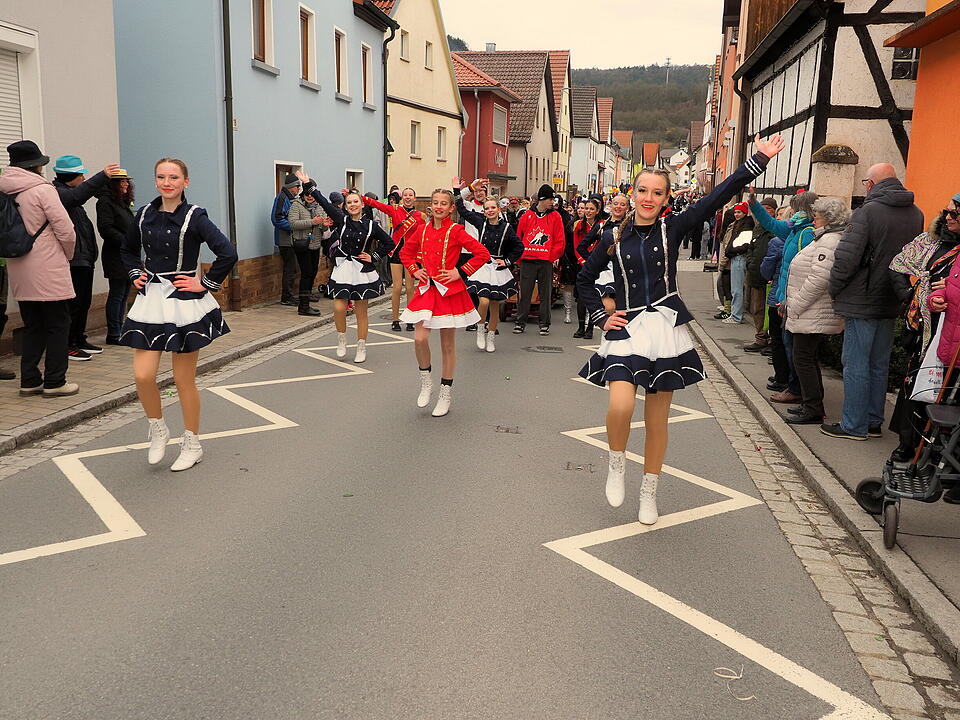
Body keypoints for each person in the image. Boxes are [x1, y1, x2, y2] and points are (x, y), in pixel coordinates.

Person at [578, 134, 785, 525]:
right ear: (632, 192)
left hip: (666, 329)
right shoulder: (613, 235)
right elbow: (585, 280)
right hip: (627, 329)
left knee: (658, 420)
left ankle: (650, 491)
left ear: (666, 198)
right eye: (642, 190)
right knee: (620, 405)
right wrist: (601, 317)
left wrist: (758, 159)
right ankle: (617, 462)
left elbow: (720, 194)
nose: (648, 198)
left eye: (657, 192)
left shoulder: (673, 228)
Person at [120, 158, 238, 471]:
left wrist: (205, 284)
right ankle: (158, 428)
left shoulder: (195, 216)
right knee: (142, 375)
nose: (166, 182)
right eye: (161, 177)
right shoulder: (144, 213)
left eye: (174, 177)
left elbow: (227, 252)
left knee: (183, 379)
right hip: (150, 301)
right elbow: (128, 250)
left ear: (185, 181)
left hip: (184, 302)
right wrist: (134, 272)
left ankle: (192, 442)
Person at [824, 164, 924, 441]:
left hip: (862, 298)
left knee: (855, 362)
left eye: (866, 181)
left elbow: (846, 258)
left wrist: (834, 289)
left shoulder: (868, 211)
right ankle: (872, 421)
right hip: (891, 298)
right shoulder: (916, 213)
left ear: (872, 183)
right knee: (879, 364)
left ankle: (853, 424)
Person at [399, 188, 491, 416]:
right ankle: (426, 381)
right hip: (426, 291)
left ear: (451, 208)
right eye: (435, 202)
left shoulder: (456, 231)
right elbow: (405, 253)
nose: (439, 206)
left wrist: (460, 271)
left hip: (449, 293)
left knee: (447, 345)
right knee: (420, 338)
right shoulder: (420, 230)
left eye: (443, 203)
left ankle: (445, 393)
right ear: (430, 206)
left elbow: (482, 253)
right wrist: (414, 270)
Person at [0, 140, 78, 396]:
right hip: (47, 266)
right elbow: (65, 229)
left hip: (18, 266)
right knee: (58, 323)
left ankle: (30, 380)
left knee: (33, 325)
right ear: (35, 166)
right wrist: (66, 255)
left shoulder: (4, 189)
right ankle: (55, 381)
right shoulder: (42, 190)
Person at [888, 197, 960, 460]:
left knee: (947, 391)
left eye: (954, 213)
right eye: (947, 212)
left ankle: (936, 451)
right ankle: (908, 441)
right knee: (917, 382)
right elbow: (897, 267)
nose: (949, 216)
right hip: (924, 329)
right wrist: (911, 294)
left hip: (951, 331)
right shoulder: (930, 241)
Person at [783, 197, 849, 424]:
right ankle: (811, 404)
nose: (814, 220)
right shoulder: (823, 238)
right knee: (806, 358)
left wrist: (796, 304)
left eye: (817, 216)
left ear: (828, 219)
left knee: (803, 358)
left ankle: (813, 408)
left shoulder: (829, 241)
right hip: (810, 310)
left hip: (812, 310)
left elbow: (820, 278)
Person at [313, 185, 394, 362]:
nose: (352, 205)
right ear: (344, 206)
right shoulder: (342, 220)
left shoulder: (371, 225)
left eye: (355, 201)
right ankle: (341, 338)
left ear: (362, 204)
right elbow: (324, 203)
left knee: (361, 312)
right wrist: (310, 187)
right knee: (338, 307)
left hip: (361, 270)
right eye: (349, 202)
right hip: (343, 268)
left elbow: (389, 243)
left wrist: (373, 256)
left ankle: (361, 346)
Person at [753, 189, 818, 404]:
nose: (792, 212)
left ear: (803, 209)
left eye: (796, 208)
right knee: (789, 346)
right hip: (785, 297)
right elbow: (771, 224)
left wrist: (789, 299)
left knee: (795, 351)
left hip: (795, 300)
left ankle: (798, 390)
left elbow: (806, 271)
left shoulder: (806, 232)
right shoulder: (794, 229)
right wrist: (753, 203)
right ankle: (795, 387)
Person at [52, 154, 117, 360]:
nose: (83, 178)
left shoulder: (73, 195)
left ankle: (79, 338)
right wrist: (102, 175)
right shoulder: (60, 194)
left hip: (85, 259)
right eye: (81, 175)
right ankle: (68, 344)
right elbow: (79, 195)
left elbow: (88, 193)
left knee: (84, 302)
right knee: (74, 304)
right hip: (73, 261)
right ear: (73, 175)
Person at [454, 192, 523, 352]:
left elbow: (519, 247)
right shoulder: (481, 223)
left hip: (498, 268)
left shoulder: (507, 228)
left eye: (493, 208)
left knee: (494, 305)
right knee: (483, 301)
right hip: (482, 265)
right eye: (487, 208)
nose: (490, 211)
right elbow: (462, 209)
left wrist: (506, 261)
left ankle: (491, 337)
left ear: (499, 210)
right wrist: (458, 190)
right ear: (483, 211)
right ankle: (480, 328)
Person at [362, 187, 425, 332]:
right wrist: (362, 198)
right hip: (396, 252)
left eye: (411, 195)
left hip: (411, 255)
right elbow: (378, 205)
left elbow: (422, 239)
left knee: (410, 288)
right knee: (396, 288)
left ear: (415, 198)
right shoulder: (395, 210)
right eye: (406, 195)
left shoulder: (420, 216)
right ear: (402, 197)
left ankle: (410, 319)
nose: (408, 197)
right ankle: (395, 320)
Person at [514, 184, 567, 335]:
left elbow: (560, 241)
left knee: (545, 294)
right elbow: (519, 237)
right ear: (542, 199)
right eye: (551, 199)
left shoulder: (555, 216)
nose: (553, 202)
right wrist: (518, 259)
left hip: (545, 261)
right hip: (528, 260)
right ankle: (520, 322)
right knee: (525, 293)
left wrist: (551, 257)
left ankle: (544, 323)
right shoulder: (527, 216)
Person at [96, 169, 136, 345]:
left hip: (127, 255)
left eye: (127, 181)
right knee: (117, 294)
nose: (126, 184)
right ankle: (114, 333)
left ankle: (120, 329)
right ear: (114, 184)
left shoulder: (122, 203)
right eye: (122, 181)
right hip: (116, 254)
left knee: (125, 293)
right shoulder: (106, 202)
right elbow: (106, 229)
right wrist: (127, 241)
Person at [287, 178, 329, 316]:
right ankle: (303, 306)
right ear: (303, 194)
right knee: (306, 274)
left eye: (312, 194)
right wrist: (312, 221)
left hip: (315, 244)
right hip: (302, 244)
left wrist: (325, 224)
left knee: (312, 273)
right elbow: (292, 223)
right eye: (307, 194)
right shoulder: (296, 205)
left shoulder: (320, 206)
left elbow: (323, 227)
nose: (310, 197)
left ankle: (306, 301)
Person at [743, 197, 778, 352]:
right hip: (756, 275)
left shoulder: (776, 228)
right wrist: (750, 263)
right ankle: (760, 337)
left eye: (768, 209)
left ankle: (772, 341)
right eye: (762, 208)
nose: (765, 211)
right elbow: (751, 248)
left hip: (771, 278)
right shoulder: (757, 228)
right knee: (757, 309)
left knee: (770, 311)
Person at [572, 198, 604, 339]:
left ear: (597, 211)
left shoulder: (602, 225)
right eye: (586, 209)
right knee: (581, 298)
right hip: (583, 264)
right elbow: (576, 246)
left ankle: (590, 327)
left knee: (594, 297)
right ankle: (580, 327)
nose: (588, 212)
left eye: (591, 209)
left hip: (597, 265)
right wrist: (583, 261)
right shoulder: (579, 225)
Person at [271, 173, 301, 306]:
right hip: (285, 240)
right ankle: (286, 297)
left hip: (291, 239)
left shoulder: (290, 198)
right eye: (297, 186)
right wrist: (294, 227)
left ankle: (289, 295)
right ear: (291, 187)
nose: (299, 189)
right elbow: (276, 219)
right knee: (290, 268)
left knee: (293, 268)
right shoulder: (282, 198)